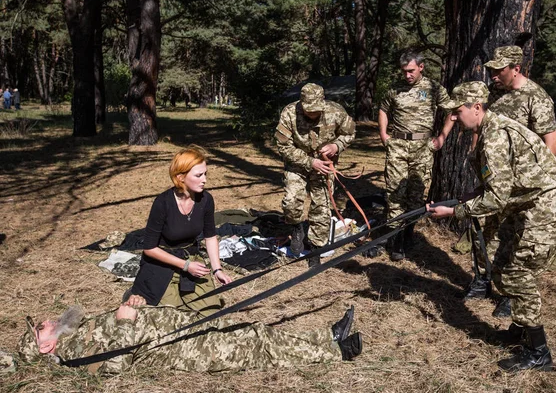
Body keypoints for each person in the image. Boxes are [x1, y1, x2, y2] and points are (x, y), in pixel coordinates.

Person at [427, 81, 556, 372]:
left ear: (476, 107)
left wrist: (455, 211)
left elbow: (496, 199)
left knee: (517, 274)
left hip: (551, 206)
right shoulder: (487, 130)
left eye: (458, 112)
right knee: (501, 265)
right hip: (530, 203)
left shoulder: (495, 136)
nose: (454, 118)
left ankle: (538, 353)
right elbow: (494, 184)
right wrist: (462, 198)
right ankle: (521, 330)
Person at [19, 303, 362, 374]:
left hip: (187, 328)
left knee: (256, 332)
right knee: (261, 351)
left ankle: (323, 336)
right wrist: (126, 321)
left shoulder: (79, 331)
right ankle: (336, 353)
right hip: (188, 349)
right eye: (41, 329)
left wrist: (134, 308)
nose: (47, 321)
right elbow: (113, 367)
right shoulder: (77, 354)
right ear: (47, 346)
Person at [129, 146, 232, 316]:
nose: (204, 180)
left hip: (191, 259)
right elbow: (149, 248)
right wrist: (185, 266)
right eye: (198, 175)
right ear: (180, 177)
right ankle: (140, 291)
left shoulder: (206, 199)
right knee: (173, 317)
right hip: (162, 264)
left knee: (210, 313)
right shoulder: (162, 203)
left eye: (205, 174)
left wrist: (217, 270)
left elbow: (210, 236)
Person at [378, 51, 455, 261]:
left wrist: (442, 136)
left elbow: (452, 111)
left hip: (423, 146)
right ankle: (393, 238)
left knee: (416, 192)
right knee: (395, 191)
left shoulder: (433, 88)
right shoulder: (395, 89)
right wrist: (384, 135)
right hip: (398, 145)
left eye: (411, 71)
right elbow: (383, 109)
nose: (407, 75)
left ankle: (408, 233)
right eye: (404, 72)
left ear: (421, 67)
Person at [275, 83, 355, 267]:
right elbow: (283, 146)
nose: (312, 114)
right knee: (291, 201)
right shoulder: (289, 113)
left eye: (316, 110)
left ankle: (316, 248)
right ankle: (296, 229)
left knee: (322, 206)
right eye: (308, 111)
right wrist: (310, 162)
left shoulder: (336, 111)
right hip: (297, 164)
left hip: (325, 166)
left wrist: (337, 146)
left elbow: (349, 133)